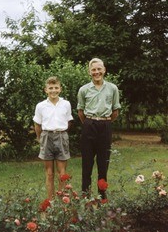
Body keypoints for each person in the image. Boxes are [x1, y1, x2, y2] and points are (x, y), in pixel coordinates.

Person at [77, 58, 121, 200]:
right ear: (89, 72)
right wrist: (90, 123)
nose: (96, 72)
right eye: (93, 70)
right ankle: (85, 197)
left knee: (103, 163)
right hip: (89, 125)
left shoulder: (112, 88)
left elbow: (115, 110)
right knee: (87, 164)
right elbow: (80, 111)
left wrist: (104, 122)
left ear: (104, 70)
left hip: (105, 126)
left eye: (99, 69)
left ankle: (102, 197)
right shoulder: (83, 90)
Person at [33, 76, 73, 199]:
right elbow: (37, 124)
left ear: (60, 89)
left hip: (61, 136)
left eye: (56, 88)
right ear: (46, 90)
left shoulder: (66, 104)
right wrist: (40, 138)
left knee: (62, 173)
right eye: (50, 88)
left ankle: (62, 201)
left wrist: (62, 134)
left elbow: (69, 121)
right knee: (49, 173)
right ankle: (51, 202)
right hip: (46, 137)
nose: (53, 90)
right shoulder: (40, 106)